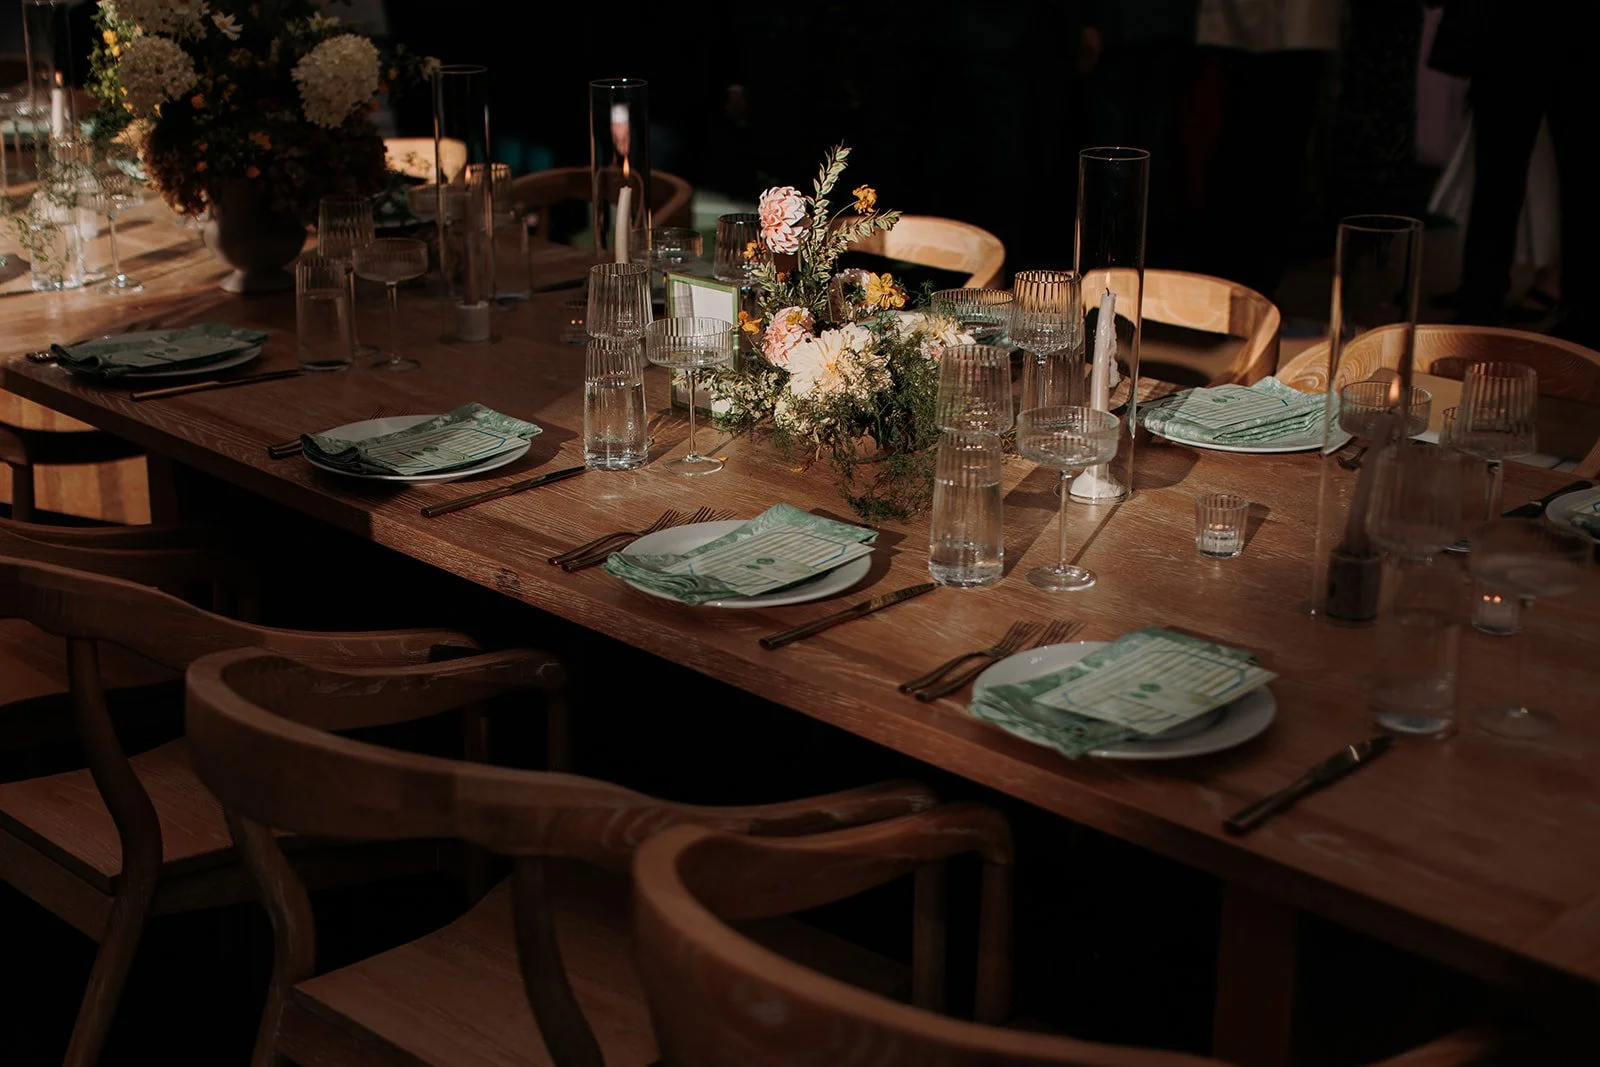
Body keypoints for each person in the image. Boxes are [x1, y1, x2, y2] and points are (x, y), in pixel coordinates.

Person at [1431, 0, 1599, 346]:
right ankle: (1481, 294)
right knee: (1498, 172)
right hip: (1513, 27)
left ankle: (1578, 310)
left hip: (1548, 28)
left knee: (1570, 179)